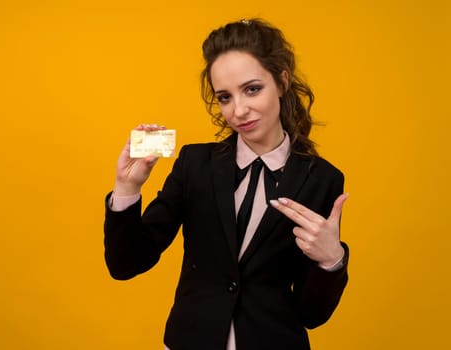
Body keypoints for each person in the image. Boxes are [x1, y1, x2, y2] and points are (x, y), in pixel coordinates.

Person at [104, 18, 349, 350]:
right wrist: (127, 190)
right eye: (224, 97)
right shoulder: (195, 165)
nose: (239, 110)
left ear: (281, 82)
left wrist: (331, 260)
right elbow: (126, 264)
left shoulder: (322, 179)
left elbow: (311, 314)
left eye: (252, 89)